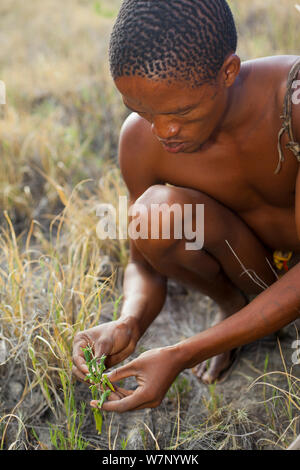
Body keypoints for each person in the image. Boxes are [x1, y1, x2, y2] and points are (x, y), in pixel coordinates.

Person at [72, 0, 300, 413]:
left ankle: (249, 325)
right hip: (256, 269)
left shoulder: (292, 106)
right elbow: (142, 263)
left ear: (228, 72)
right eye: (140, 110)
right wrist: (130, 322)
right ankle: (235, 309)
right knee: (151, 217)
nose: (162, 131)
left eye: (181, 112)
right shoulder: (140, 142)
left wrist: (183, 352)